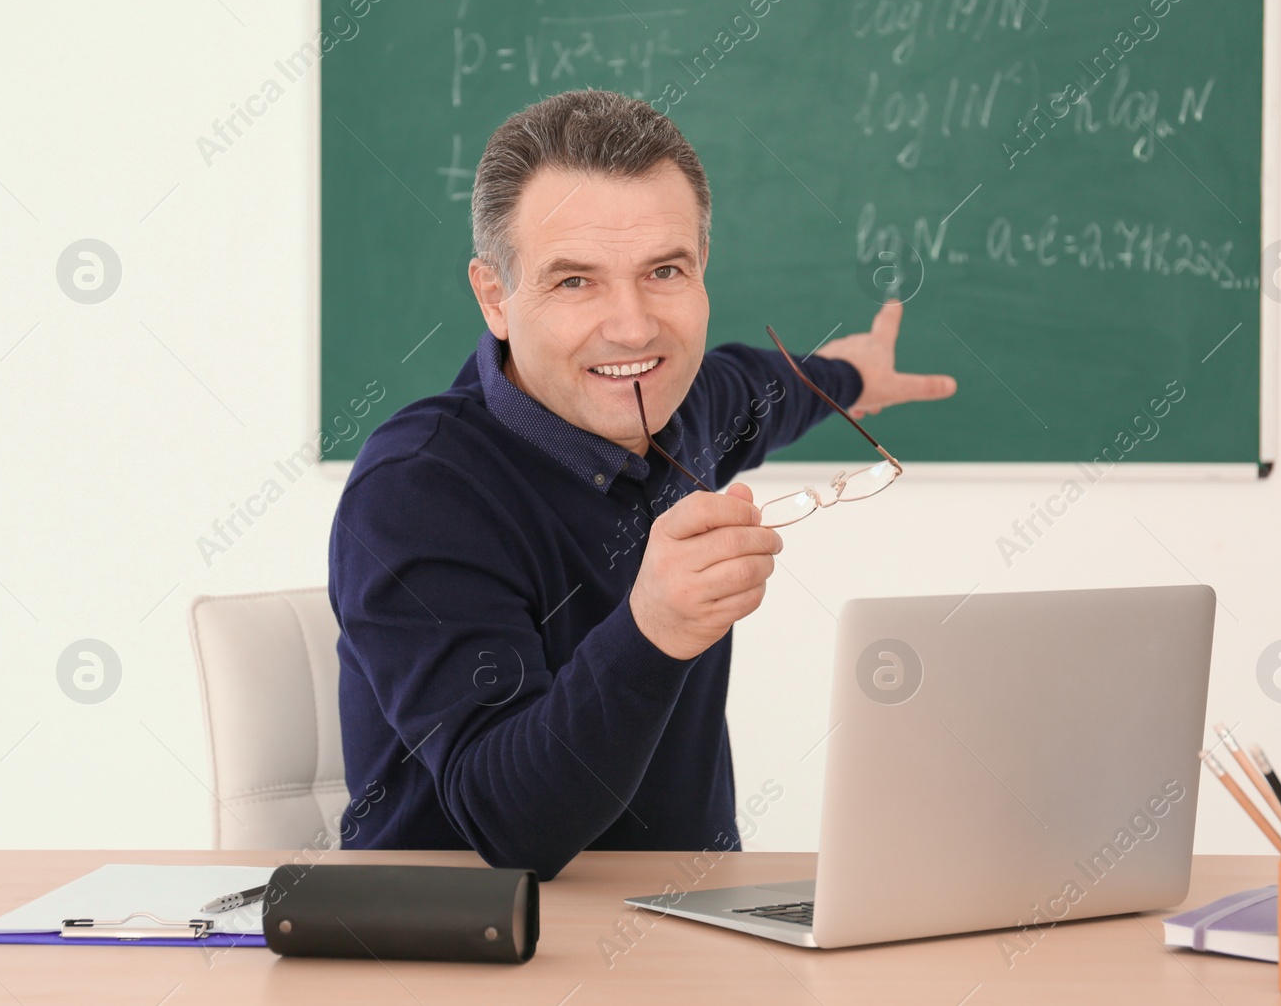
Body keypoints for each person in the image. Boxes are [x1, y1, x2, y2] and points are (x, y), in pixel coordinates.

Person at [329, 88, 956, 879]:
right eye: (575, 281)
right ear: (496, 296)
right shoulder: (415, 493)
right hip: (470, 956)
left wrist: (850, 375)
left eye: (664, 270)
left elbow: (764, 389)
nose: (633, 326)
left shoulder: (683, 404)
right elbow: (510, 828)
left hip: (695, 928)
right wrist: (653, 629)